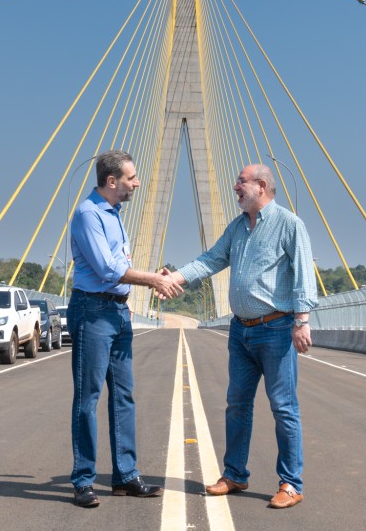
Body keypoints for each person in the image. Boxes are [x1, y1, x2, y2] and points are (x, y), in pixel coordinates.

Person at [162, 163, 317, 509]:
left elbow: (305, 273)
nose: (235, 187)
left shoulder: (289, 225)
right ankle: (234, 474)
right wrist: (175, 278)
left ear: (261, 186)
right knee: (237, 405)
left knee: (283, 408)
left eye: (241, 182)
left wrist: (302, 321)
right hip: (241, 331)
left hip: (276, 329)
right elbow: (210, 260)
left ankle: (291, 484)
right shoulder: (237, 228)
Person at [67, 149, 183, 508]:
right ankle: (83, 480)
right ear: (112, 181)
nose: (137, 183)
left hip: (118, 312)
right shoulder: (88, 215)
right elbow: (106, 269)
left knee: (123, 396)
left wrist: (151, 278)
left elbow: (121, 265)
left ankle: (125, 476)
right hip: (92, 311)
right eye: (132, 178)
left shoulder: (115, 215)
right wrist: (153, 281)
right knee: (88, 397)